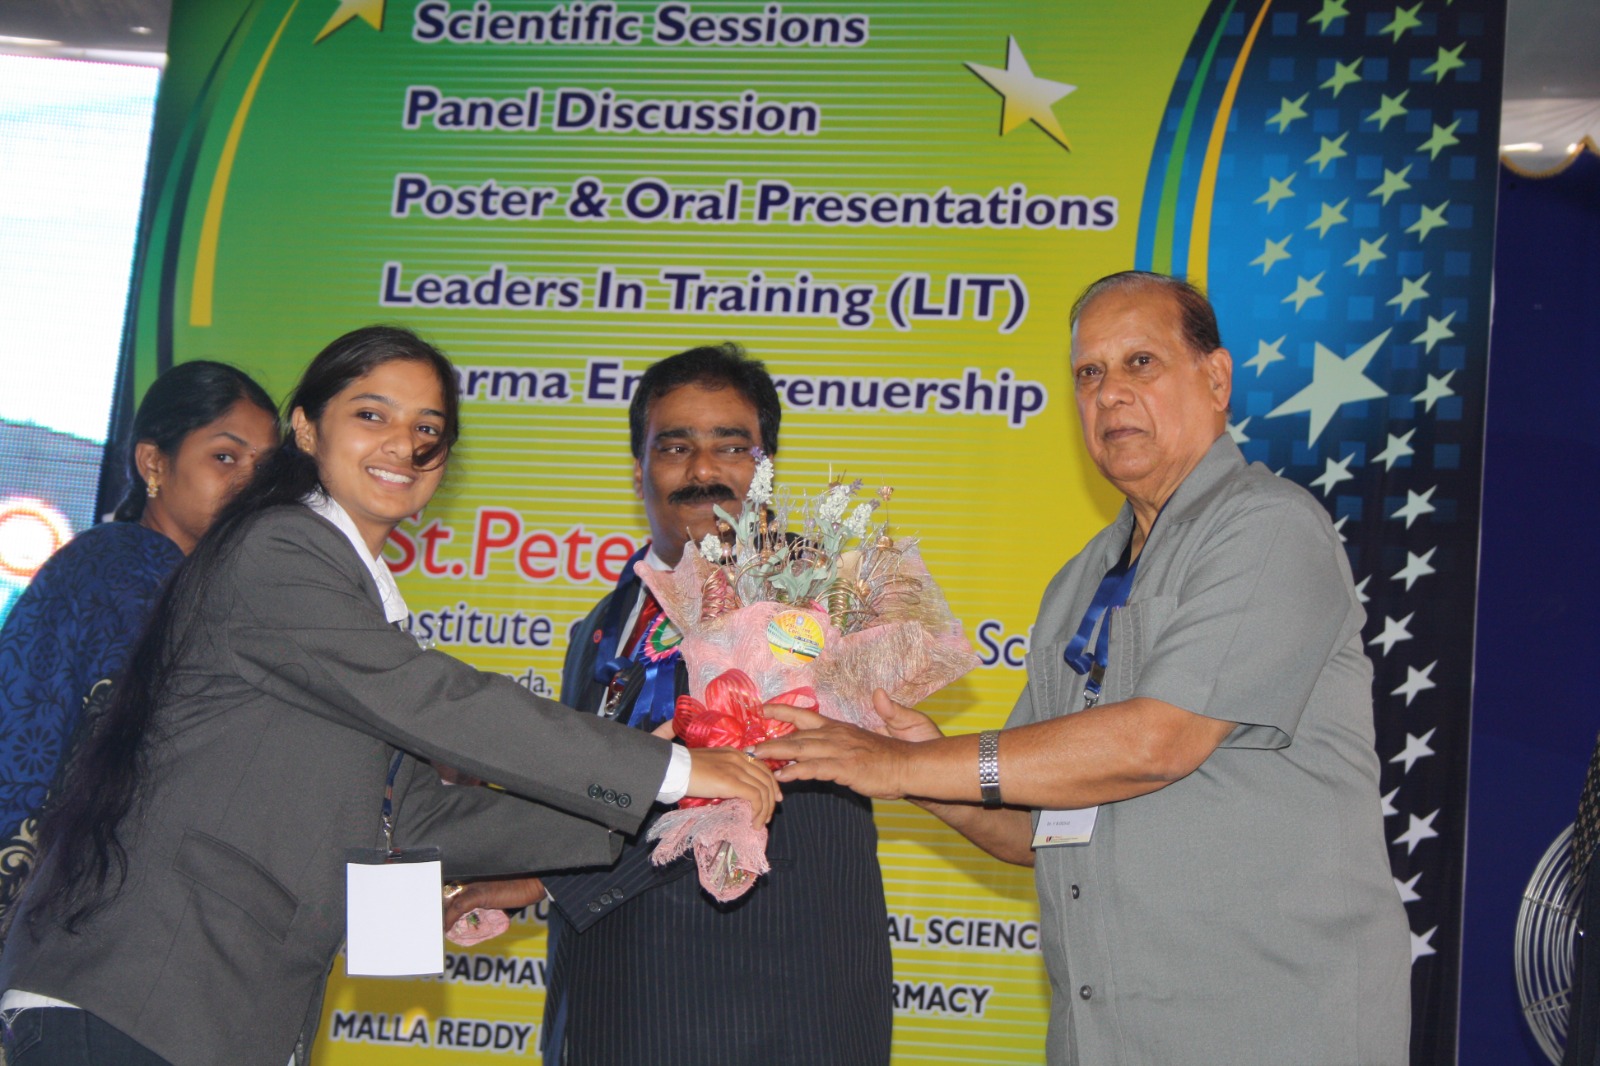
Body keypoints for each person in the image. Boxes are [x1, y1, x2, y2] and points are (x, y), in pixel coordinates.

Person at [0, 326, 777, 1066]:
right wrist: (671, 769)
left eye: (427, 428)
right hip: (143, 989)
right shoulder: (280, 547)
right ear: (306, 430)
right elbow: (435, 700)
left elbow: (415, 812)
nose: (404, 444)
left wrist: (663, 813)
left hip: (212, 1013)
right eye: (372, 415)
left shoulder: (359, 599)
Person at [758, 273, 1412, 1065]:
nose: (1110, 394)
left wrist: (903, 765)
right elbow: (1032, 829)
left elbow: (1157, 742)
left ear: (1216, 379)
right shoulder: (1079, 581)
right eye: (1089, 373)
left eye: (1141, 363)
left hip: (1271, 1026)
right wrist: (916, 767)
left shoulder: (1270, 528)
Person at [537, 343, 893, 1065]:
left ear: (767, 467)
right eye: (675, 447)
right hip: (610, 1001)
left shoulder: (814, 600)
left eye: (732, 447)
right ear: (638, 468)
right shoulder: (606, 620)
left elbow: (738, 787)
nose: (703, 470)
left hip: (765, 1009)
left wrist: (533, 876)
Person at [0, 361, 279, 928]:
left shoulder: (210, 592)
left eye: (264, 468)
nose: (248, 485)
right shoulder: (121, 566)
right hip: (66, 911)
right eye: (225, 457)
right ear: (154, 463)